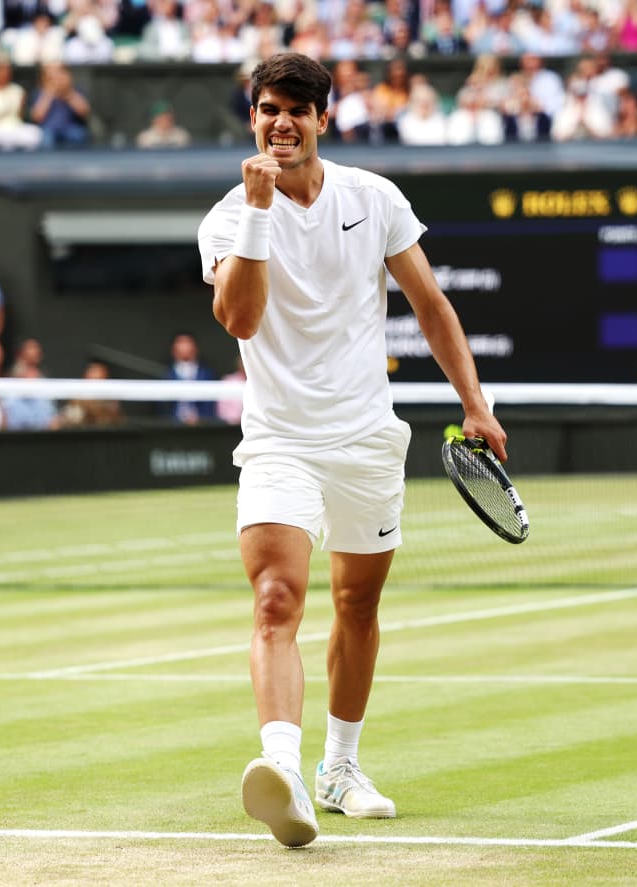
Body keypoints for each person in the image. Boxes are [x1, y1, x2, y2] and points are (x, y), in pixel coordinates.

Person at [196, 52, 507, 849]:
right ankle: (284, 768)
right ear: (254, 117)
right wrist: (262, 214)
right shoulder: (230, 214)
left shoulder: (374, 199)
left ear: (323, 119)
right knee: (276, 599)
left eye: (298, 109)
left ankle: (339, 765)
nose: (281, 121)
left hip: (367, 435)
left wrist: (475, 401)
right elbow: (239, 318)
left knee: (357, 605)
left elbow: (430, 304)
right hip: (280, 440)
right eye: (269, 108)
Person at [164, 331, 215, 424]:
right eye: (180, 342)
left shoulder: (207, 374)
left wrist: (201, 420)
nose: (184, 346)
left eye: (188, 342)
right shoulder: (166, 375)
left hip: (203, 428)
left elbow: (210, 406)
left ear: (195, 348)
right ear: (173, 349)